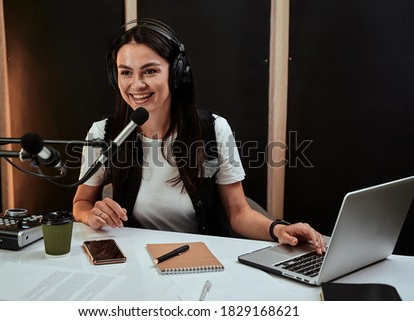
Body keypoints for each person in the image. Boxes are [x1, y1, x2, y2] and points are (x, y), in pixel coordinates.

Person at [72, 18, 326, 254]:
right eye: (126, 72)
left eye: (150, 71)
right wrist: (90, 214)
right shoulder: (104, 134)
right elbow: (81, 202)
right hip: (136, 259)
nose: (137, 84)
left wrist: (278, 229)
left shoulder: (214, 131)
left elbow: (238, 213)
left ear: (176, 73)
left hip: (202, 258)